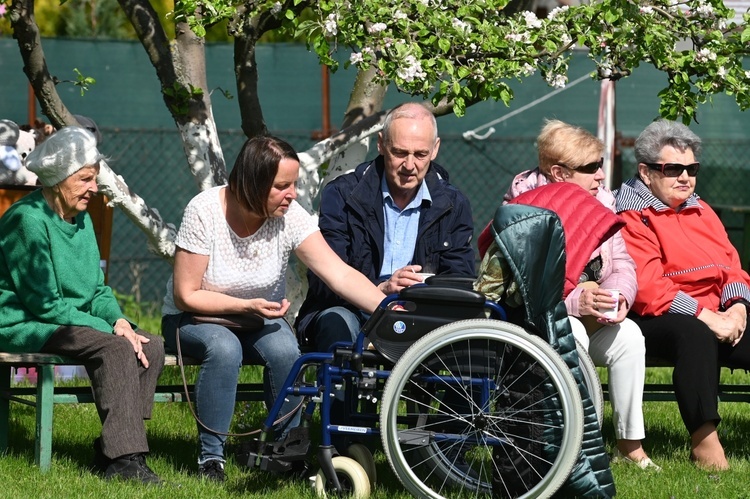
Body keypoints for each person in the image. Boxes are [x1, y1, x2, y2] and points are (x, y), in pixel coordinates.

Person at [160, 135, 386, 482]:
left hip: (257, 317)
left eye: (293, 183)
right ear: (253, 183)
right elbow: (185, 295)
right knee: (223, 348)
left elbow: (338, 273)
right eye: (282, 186)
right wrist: (245, 304)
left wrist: (390, 311)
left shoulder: (289, 215)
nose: (292, 193)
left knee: (286, 351)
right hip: (194, 317)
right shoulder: (203, 210)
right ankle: (211, 460)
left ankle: (285, 454)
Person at [0, 126, 164, 484]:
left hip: (66, 319)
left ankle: (114, 449)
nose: (95, 187)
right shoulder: (26, 220)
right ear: (59, 179)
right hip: (24, 321)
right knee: (118, 348)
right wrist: (113, 332)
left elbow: (97, 290)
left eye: (95, 178)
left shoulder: (81, 218)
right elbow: (44, 305)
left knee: (151, 344)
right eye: (86, 179)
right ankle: (124, 462)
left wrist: (119, 320)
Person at [502, 119, 658, 469]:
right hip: (538, 325)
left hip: (591, 313)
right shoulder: (526, 209)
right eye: (591, 168)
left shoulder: (603, 201)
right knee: (569, 332)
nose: (602, 175)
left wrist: (616, 297)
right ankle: (577, 444)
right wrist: (577, 302)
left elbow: (622, 263)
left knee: (630, 336)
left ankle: (630, 445)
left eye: (600, 165)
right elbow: (528, 285)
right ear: (558, 172)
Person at [614, 119, 750, 470]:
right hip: (650, 317)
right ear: (646, 172)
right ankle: (704, 441)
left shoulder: (701, 209)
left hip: (715, 314)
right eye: (673, 168)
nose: (685, 177)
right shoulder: (629, 214)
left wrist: (736, 309)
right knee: (694, 333)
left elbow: (731, 265)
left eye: (692, 168)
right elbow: (647, 286)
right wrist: (707, 317)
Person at [295, 102, 475, 351]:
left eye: (420, 154)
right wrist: (382, 289)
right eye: (400, 153)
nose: (410, 165)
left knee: (470, 332)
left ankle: (426, 391)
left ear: (435, 150)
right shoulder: (342, 195)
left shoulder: (454, 204)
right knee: (336, 320)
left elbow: (459, 279)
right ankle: (339, 391)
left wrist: (420, 294)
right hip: (352, 311)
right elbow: (324, 282)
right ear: (381, 144)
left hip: (420, 314)